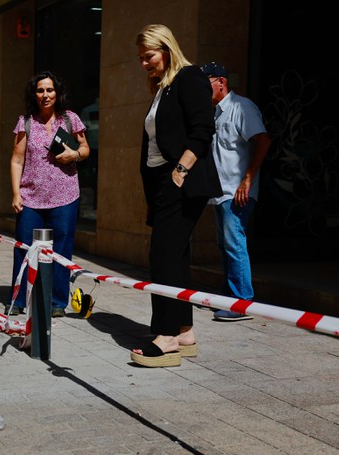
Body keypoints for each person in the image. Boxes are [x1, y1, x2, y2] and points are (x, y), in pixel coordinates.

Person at [130, 24, 222, 367]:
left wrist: (180, 172)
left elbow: (203, 131)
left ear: (166, 49)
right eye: (140, 58)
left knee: (164, 255)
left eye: (148, 56)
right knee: (176, 255)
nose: (144, 63)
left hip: (180, 180)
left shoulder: (189, 77)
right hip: (163, 181)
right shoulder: (163, 87)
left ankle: (166, 338)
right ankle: (183, 331)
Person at [6, 71, 89, 318]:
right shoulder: (26, 122)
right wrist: (15, 193)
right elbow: (16, 160)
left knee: (62, 249)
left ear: (57, 92)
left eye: (49, 90)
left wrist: (73, 155)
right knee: (24, 247)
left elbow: (85, 149)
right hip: (31, 197)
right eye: (40, 90)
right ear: (34, 94)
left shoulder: (71, 119)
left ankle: (56, 302)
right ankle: (19, 299)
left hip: (65, 196)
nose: (45, 95)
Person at [201, 62, 271, 321]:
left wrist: (248, 179)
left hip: (237, 190)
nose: (201, 88)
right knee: (225, 244)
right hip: (221, 191)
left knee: (234, 243)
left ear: (221, 81)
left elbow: (263, 140)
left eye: (205, 82)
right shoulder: (215, 113)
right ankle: (229, 294)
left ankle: (242, 301)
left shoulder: (241, 107)